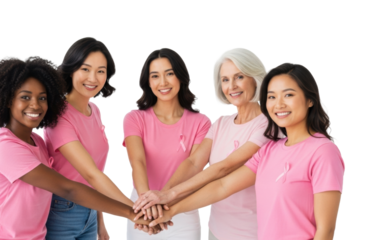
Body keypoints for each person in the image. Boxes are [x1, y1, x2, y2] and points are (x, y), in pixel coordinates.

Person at [148, 62, 346, 240]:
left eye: (289, 95)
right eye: (271, 96)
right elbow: (222, 187)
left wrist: (169, 197)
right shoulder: (269, 149)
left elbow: (326, 231)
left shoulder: (324, 152)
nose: (279, 104)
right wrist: (170, 210)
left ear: (310, 100)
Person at [0, 55, 150, 240]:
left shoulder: (37, 141)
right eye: (25, 97)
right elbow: (68, 188)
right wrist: (132, 213)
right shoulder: (4, 147)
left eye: (42, 98)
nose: (35, 104)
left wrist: (101, 218)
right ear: (7, 100)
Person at [134, 47, 270, 239]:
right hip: (215, 230)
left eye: (239, 77)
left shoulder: (268, 125)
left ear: (255, 79)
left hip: (250, 232)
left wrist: (168, 198)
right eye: (225, 79)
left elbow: (225, 168)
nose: (232, 86)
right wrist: (161, 198)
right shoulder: (221, 122)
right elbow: (194, 162)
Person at [122, 47, 212, 239]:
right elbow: (137, 161)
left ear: (180, 76)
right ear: (148, 81)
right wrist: (149, 204)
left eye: (169, 74)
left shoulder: (202, 122)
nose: (163, 82)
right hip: (142, 208)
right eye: (155, 76)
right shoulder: (134, 118)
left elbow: (194, 165)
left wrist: (161, 198)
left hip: (183, 209)